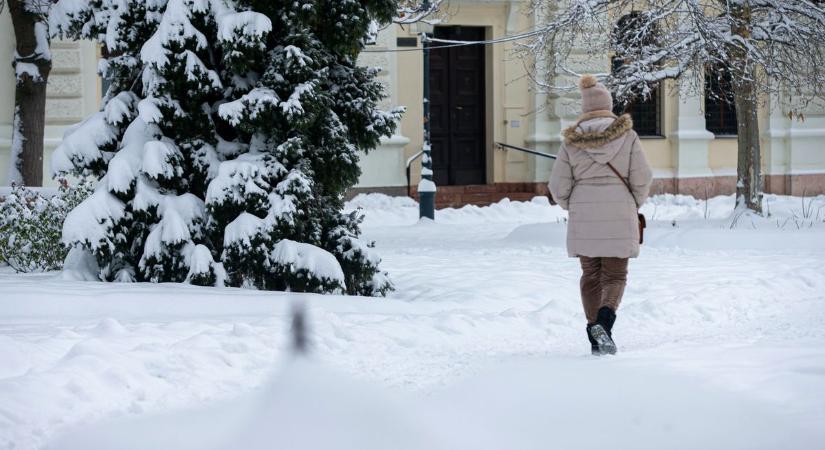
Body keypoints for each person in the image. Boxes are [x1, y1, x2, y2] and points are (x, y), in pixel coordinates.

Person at [548, 74, 652, 356]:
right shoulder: (628, 136)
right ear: (608, 105)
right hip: (620, 209)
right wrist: (633, 202)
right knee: (615, 275)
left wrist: (574, 205)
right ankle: (604, 323)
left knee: (591, 274)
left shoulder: (571, 143)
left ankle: (594, 331)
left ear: (584, 108)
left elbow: (558, 186)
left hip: (583, 212)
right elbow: (642, 178)